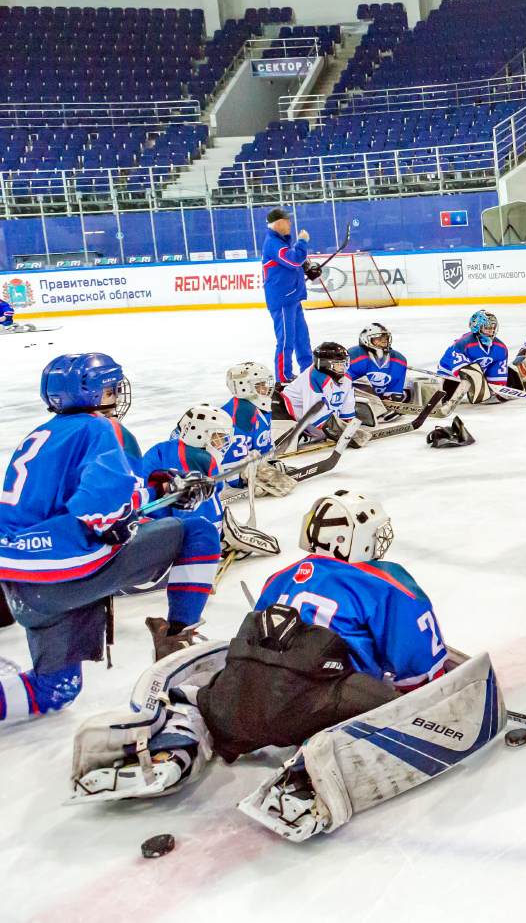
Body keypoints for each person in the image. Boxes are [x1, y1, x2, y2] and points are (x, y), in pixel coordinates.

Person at [67, 492, 498, 844]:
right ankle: (308, 771)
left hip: (238, 698)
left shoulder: (282, 576)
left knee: (208, 697)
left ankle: (178, 740)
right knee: (391, 706)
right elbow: (420, 675)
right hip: (317, 706)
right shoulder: (386, 580)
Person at [0, 354, 217, 724]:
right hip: (66, 574)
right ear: (93, 392)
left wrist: (154, 487)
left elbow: (75, 498)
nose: (117, 394)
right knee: (199, 531)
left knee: (55, 689)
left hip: (20, 586)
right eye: (112, 387)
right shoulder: (101, 428)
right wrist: (162, 498)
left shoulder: (44, 434)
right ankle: (176, 639)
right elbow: (105, 511)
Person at [134, 405, 235, 649]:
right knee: (203, 536)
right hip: (146, 554)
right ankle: (180, 630)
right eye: (217, 437)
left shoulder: (165, 448)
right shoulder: (199, 459)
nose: (222, 445)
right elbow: (198, 522)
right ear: (199, 434)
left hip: (131, 529)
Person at [279, 341, 369, 446]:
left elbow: (347, 403)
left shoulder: (346, 378)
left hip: (320, 418)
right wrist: (339, 433)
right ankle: (298, 435)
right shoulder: (314, 378)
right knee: (322, 431)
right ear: (324, 364)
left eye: (344, 363)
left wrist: (347, 424)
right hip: (296, 418)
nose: (342, 367)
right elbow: (314, 413)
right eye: (338, 364)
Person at [261, 208, 315, 383]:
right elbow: (293, 260)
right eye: (287, 221)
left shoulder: (280, 241)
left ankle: (308, 372)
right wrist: (302, 241)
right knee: (286, 341)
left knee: (302, 340)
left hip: (292, 298)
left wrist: (308, 268)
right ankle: (283, 377)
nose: (290, 223)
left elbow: (294, 262)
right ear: (278, 223)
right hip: (283, 300)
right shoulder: (273, 242)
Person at [436, 310, 510, 403]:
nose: (491, 331)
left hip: (478, 375)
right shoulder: (463, 343)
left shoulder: (500, 348)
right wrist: (478, 385)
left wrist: (496, 388)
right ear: (476, 328)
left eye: (493, 328)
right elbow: (461, 371)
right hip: (449, 374)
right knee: (445, 397)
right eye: (487, 327)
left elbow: (497, 373)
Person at [347, 322, 411, 411]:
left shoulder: (399, 360)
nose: (384, 341)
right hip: (356, 400)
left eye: (385, 338)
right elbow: (346, 384)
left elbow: (395, 386)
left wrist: (390, 399)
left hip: (380, 401)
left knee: (398, 397)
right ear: (366, 339)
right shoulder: (354, 355)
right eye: (378, 338)